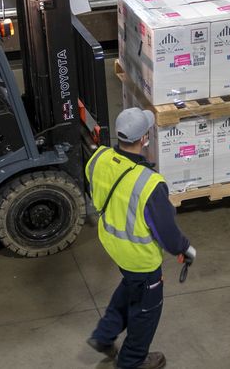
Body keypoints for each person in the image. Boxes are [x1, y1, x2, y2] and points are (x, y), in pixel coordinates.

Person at [85, 107, 196, 369]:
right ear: (144, 137)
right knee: (147, 310)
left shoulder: (99, 157)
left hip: (112, 244)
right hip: (140, 256)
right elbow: (166, 232)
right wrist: (184, 249)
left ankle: (104, 334)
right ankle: (132, 361)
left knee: (131, 285)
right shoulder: (149, 183)